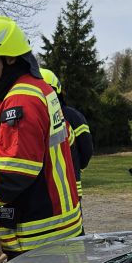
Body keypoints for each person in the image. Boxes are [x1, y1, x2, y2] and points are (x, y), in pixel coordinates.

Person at [0, 16, 82, 258]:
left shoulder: (21, 99)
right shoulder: (41, 89)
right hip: (60, 231)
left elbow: (14, 176)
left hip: (39, 239)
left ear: (11, 57)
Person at [40, 68, 93, 198]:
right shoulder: (74, 116)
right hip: (70, 186)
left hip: (41, 192)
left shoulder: (32, 117)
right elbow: (86, 149)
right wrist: (75, 167)